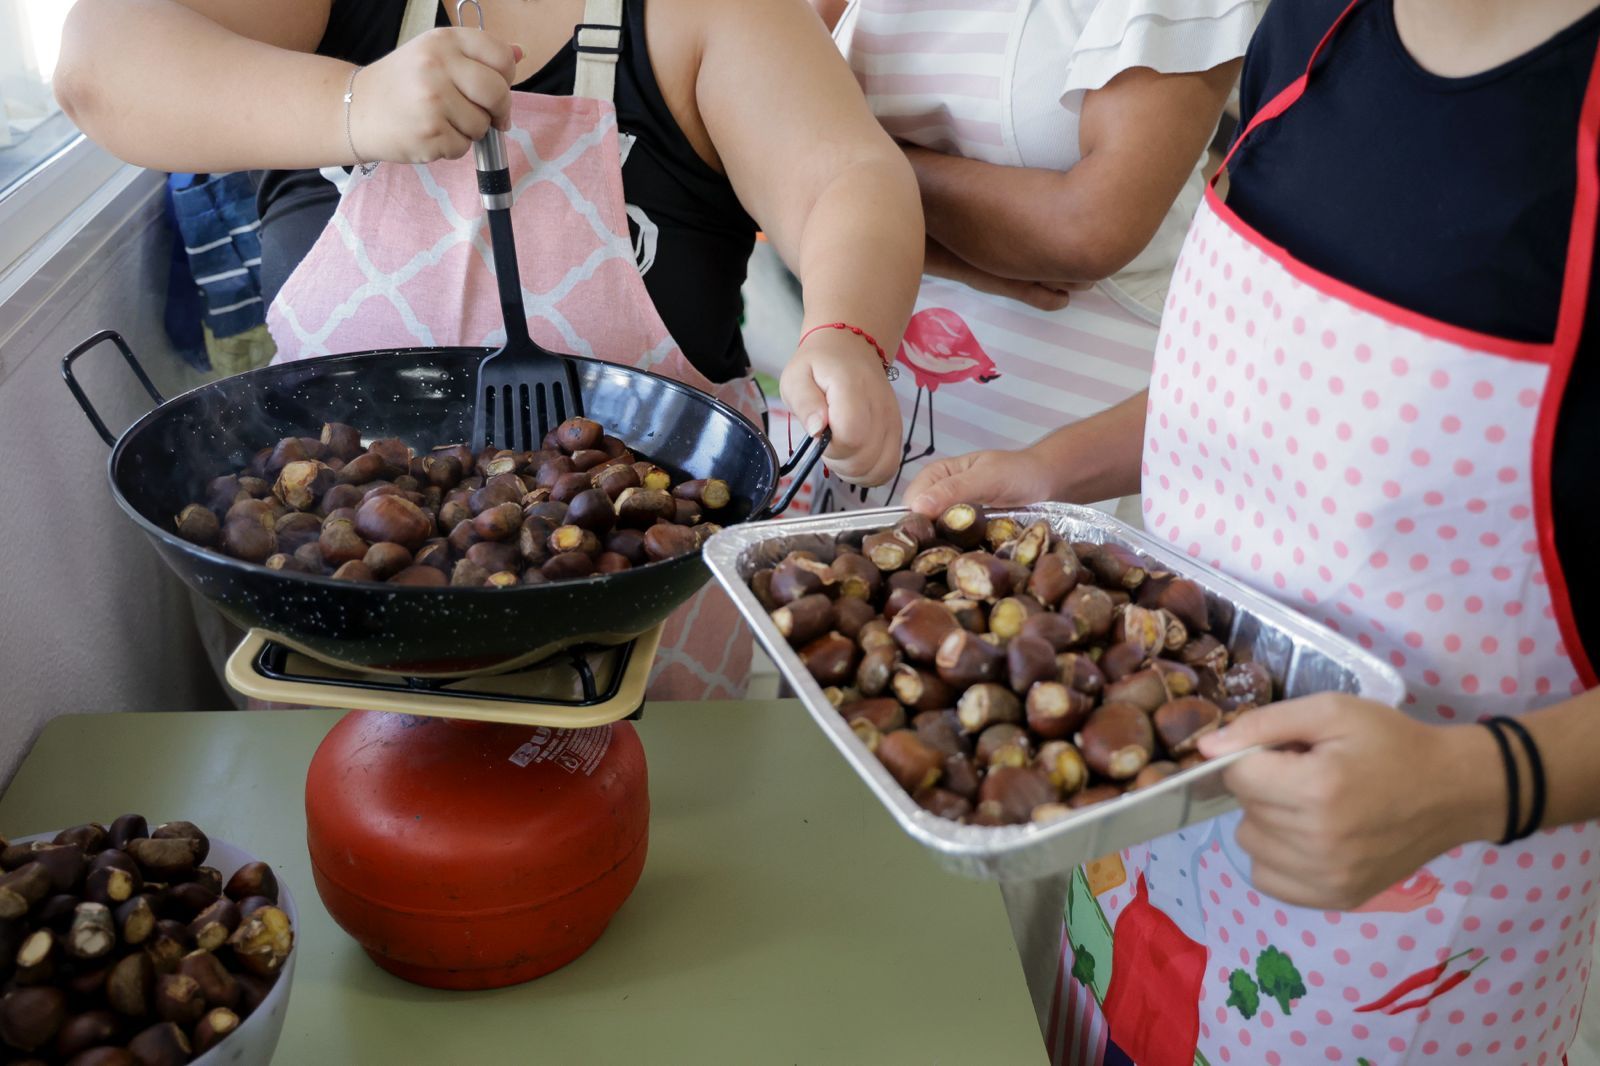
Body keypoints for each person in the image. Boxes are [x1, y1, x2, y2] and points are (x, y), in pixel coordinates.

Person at [907, 0, 1600, 1062]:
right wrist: (1052, 470)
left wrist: (1478, 782)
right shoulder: (1311, 25)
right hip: (1152, 829)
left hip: (1418, 911)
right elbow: (1274, 390)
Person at [55, 0, 922, 699]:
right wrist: (352, 106)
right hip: (330, 639)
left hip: (639, 638)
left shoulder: (708, 14)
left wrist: (845, 331)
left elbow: (850, 177)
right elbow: (98, 64)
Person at [795, 0, 1262, 520]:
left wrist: (854, 175)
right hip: (867, 388)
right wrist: (956, 253)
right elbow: (763, 150)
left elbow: (1089, 229)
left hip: (1081, 420)